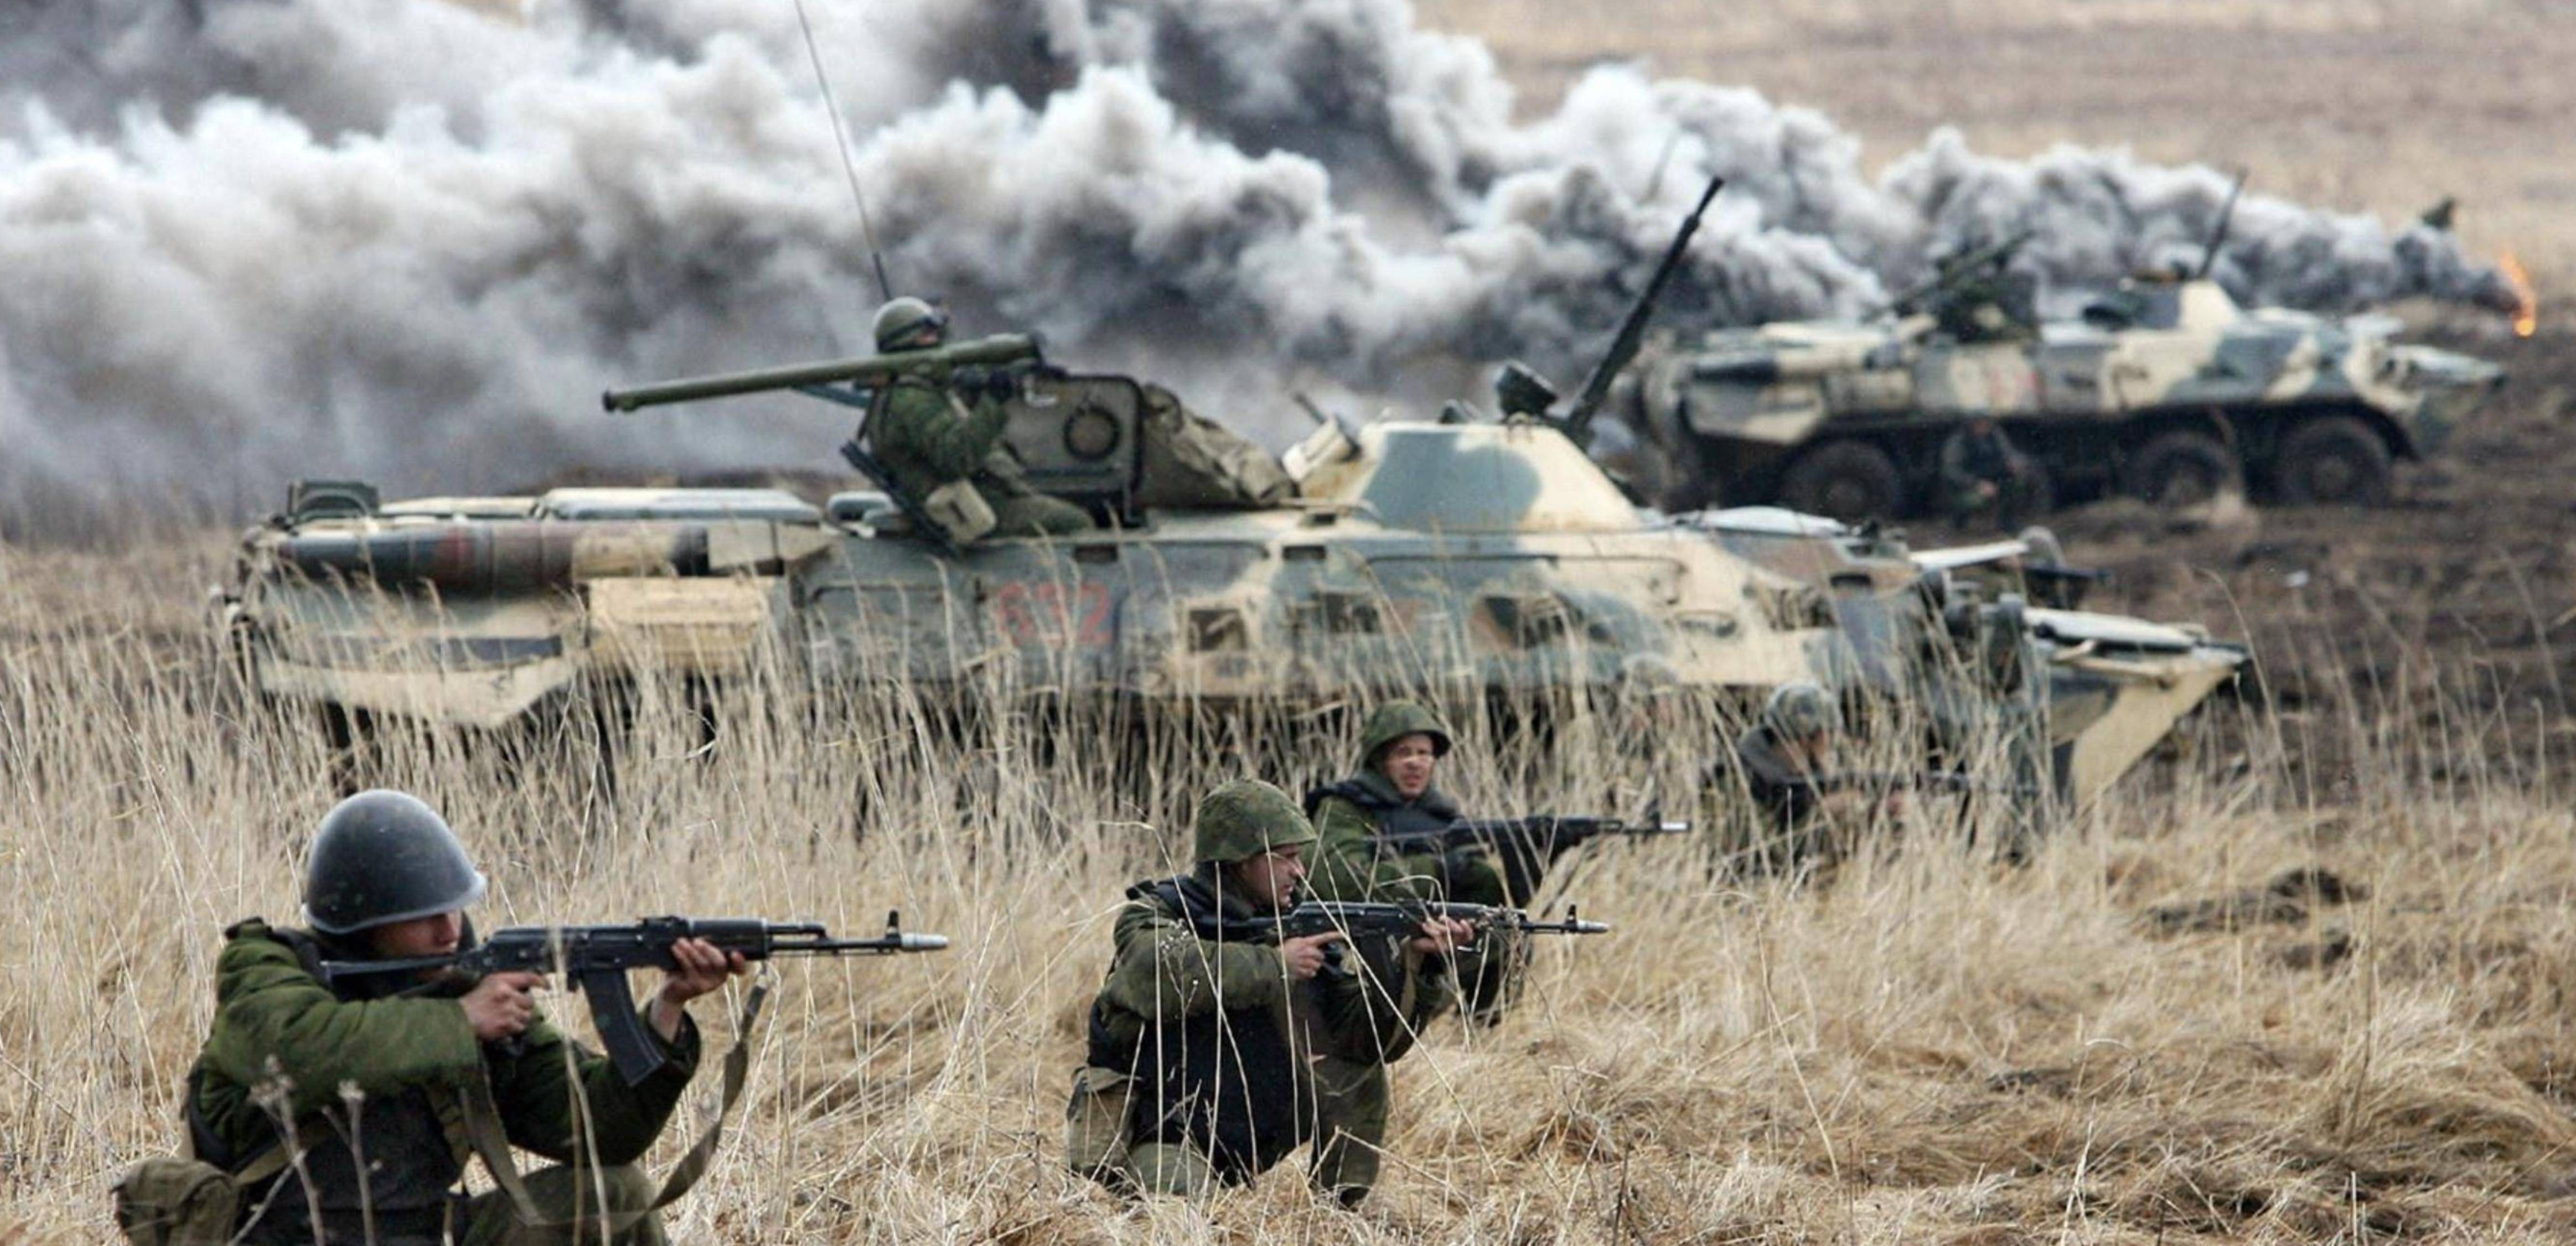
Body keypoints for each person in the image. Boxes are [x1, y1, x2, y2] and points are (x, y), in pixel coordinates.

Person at [184, 790, 747, 1245]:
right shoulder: (266, 969)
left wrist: (666, 1012)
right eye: (423, 915)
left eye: (453, 906)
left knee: (614, 1193)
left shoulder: (465, 985)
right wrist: (460, 1022)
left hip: (428, 1234)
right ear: (364, 923)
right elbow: (297, 1049)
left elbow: (598, 1130)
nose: (449, 930)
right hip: (282, 1234)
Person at [1064, 779, 1472, 1205]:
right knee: (1190, 1211)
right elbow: (1160, 972)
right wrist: (1276, 965)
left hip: (1244, 1129)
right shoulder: (1158, 913)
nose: (1299, 871)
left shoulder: (1292, 922)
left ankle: (1339, 1208)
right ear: (1242, 861)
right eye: (1286, 858)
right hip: (1162, 1137)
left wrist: (1415, 963)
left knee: (1357, 1072)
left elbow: (1362, 1040)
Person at [1303, 700, 1519, 1019]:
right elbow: (1340, 880)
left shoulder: (1441, 814)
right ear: (1380, 760)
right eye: (1403, 753)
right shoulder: (1344, 807)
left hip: (1429, 941)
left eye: (1424, 754)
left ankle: (1484, 1025)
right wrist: (1433, 870)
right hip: (1359, 945)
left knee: (1505, 930)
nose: (1415, 763)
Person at [865, 296, 1092, 544]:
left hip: (973, 498)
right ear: (906, 342)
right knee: (1076, 522)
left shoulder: (911, 391)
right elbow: (957, 458)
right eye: (928, 333)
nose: (938, 338)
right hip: (965, 511)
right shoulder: (911, 399)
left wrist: (1011, 375)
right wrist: (993, 402)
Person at [1724, 682, 1895, 872]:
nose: (1832, 741)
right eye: (1828, 733)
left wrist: (1877, 812)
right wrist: (1823, 813)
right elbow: (1759, 852)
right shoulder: (1745, 777)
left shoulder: (1803, 772)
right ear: (1807, 738)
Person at [1938, 416, 2043, 532]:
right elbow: (1952, 472)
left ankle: (2006, 521)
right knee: (1975, 501)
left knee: (2016, 483)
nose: (1984, 427)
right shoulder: (1959, 442)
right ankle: (1958, 519)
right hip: (1967, 486)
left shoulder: (1995, 436)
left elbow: (2009, 453)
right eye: (1980, 423)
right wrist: (1976, 484)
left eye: (1986, 423)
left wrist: (2014, 464)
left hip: (1993, 480)